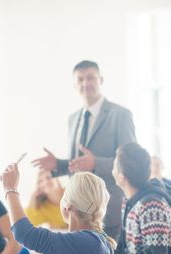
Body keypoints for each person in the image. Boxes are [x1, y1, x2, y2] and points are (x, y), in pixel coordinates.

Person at [32, 60, 136, 240]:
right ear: (74, 85)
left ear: (100, 80)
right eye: (80, 79)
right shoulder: (73, 119)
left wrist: (96, 163)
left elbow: (129, 162)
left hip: (108, 210)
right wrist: (59, 165)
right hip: (78, 212)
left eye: (90, 78)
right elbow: (80, 163)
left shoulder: (120, 115)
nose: (85, 83)